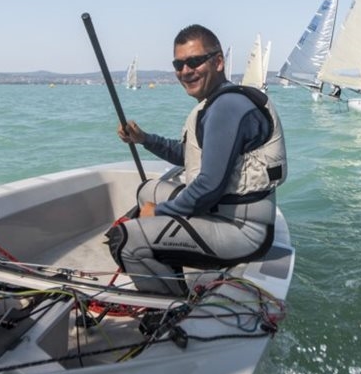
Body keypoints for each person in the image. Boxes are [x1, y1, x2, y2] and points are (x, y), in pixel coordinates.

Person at [108, 24, 287, 296]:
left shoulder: (227, 107)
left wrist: (158, 213)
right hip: (221, 213)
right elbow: (188, 155)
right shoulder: (219, 102)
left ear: (218, 62)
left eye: (194, 62)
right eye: (178, 64)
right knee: (147, 191)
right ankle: (169, 272)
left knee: (126, 240)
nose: (185, 71)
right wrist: (144, 138)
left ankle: (171, 308)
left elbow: (209, 187)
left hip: (242, 230)